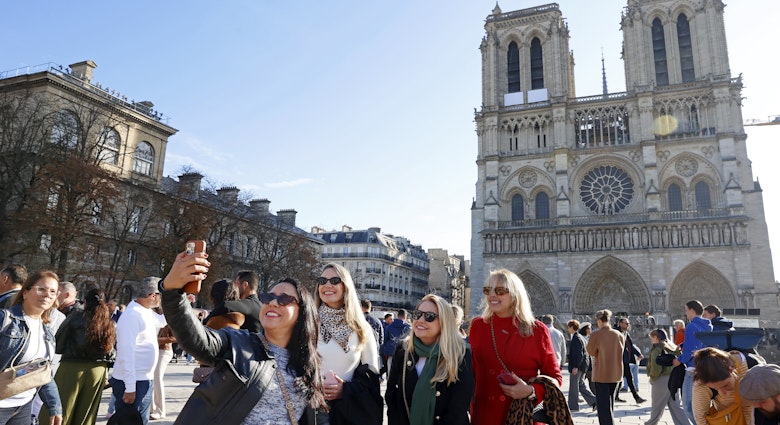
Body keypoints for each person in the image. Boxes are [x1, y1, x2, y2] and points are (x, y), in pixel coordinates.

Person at [159, 249, 326, 424]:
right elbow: (196, 338)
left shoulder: (309, 365)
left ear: (303, 313)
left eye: (284, 299)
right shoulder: (237, 343)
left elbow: (318, 418)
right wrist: (173, 290)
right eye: (268, 297)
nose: (273, 303)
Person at [470, 269, 563, 425]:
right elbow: (470, 371)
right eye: (488, 290)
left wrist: (531, 391)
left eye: (500, 291)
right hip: (485, 415)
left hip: (522, 416)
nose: (492, 295)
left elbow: (555, 378)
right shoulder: (478, 326)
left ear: (514, 295)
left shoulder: (537, 330)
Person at [385, 294, 474, 425]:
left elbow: (457, 410)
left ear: (444, 322)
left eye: (429, 317)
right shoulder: (403, 350)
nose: (420, 320)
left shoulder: (460, 355)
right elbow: (392, 398)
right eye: (417, 314)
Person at [315, 263, 382, 425]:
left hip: (345, 413)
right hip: (308, 408)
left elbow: (372, 377)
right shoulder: (306, 323)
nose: (327, 285)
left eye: (335, 280)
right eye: (322, 280)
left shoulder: (362, 328)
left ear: (346, 286)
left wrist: (345, 390)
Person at [38, 287, 115, 425]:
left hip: (72, 367)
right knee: (86, 415)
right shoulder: (109, 321)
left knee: (62, 410)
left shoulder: (76, 316)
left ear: (85, 301)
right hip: (97, 370)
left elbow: (59, 344)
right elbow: (111, 351)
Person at [0, 270, 62, 425]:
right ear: (25, 292)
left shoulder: (47, 333)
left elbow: (42, 372)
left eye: (52, 292)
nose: (47, 294)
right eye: (41, 289)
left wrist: (55, 406)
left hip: (23, 406)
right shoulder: (4, 319)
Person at [110, 277, 166, 425]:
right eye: (161, 296)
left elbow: (162, 321)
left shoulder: (144, 310)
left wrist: (182, 303)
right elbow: (125, 354)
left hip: (142, 379)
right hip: (132, 381)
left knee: (140, 421)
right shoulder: (132, 315)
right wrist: (130, 388)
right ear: (153, 295)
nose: (162, 300)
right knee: (129, 421)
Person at [673, 300, 713, 424]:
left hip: (692, 369)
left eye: (686, 310)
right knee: (700, 405)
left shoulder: (691, 326)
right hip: (704, 368)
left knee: (688, 405)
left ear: (692, 310)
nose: (686, 313)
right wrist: (684, 343)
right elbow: (701, 343)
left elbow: (692, 350)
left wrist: (679, 360)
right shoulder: (708, 325)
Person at [692, 347, 753, 425]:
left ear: (731, 370)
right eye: (716, 389)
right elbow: (701, 418)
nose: (723, 392)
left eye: (725, 385)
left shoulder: (753, 366)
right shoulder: (702, 381)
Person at [587, 309, 624, 425]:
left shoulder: (595, 335)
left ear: (598, 321)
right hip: (616, 373)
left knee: (603, 406)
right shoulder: (618, 334)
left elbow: (591, 351)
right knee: (610, 402)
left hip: (601, 374)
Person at [645, 329, 688, 425]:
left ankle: (651, 423)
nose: (651, 340)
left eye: (651, 337)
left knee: (657, 405)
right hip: (673, 378)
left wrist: (652, 377)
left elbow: (656, 368)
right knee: (675, 406)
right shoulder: (672, 346)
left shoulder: (657, 349)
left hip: (661, 380)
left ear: (655, 337)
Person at [567, 319, 596, 412]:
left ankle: (573, 406)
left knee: (574, 386)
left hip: (578, 366)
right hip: (583, 366)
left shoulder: (576, 338)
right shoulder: (580, 337)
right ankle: (595, 402)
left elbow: (579, 354)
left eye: (568, 327)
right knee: (580, 385)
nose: (568, 329)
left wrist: (575, 366)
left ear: (572, 327)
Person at [150, 310, 174, 421]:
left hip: (164, 351)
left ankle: (160, 411)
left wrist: (156, 340)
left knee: (157, 378)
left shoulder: (169, 316)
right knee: (151, 378)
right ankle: (151, 408)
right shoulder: (150, 314)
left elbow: (174, 338)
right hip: (152, 350)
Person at [616, 317, 646, 403]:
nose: (628, 325)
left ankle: (617, 396)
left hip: (625, 360)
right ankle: (636, 397)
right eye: (626, 323)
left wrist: (638, 353)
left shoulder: (625, 333)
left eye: (628, 324)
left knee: (624, 378)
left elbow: (630, 345)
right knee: (625, 378)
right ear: (621, 323)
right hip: (619, 359)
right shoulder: (616, 333)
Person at [383, 310, 411, 378]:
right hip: (403, 352)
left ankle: (390, 387)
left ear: (397, 316)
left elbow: (385, 340)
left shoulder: (389, 326)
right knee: (402, 372)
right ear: (405, 316)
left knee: (390, 372)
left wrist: (385, 351)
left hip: (391, 351)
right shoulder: (408, 327)